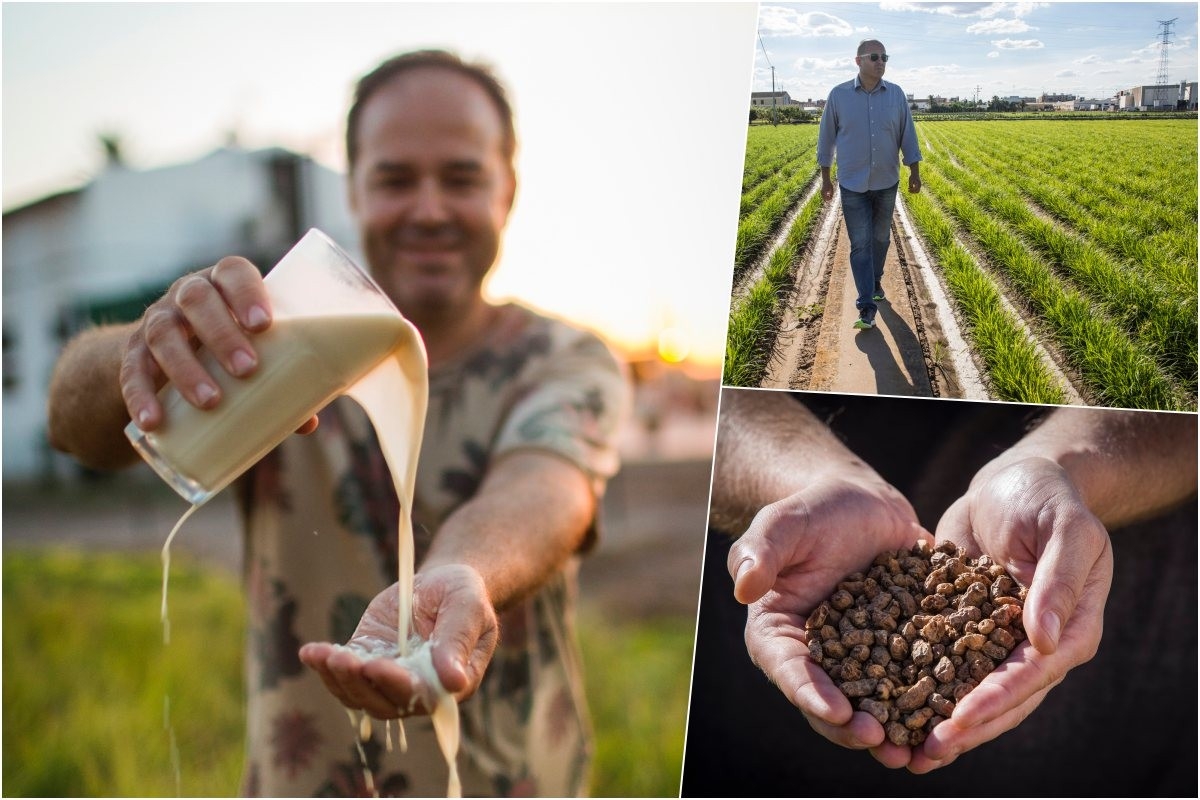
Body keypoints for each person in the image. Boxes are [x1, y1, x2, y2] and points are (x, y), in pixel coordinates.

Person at [47, 50, 630, 797]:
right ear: (352, 188)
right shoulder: (265, 341)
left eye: (460, 177)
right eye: (394, 179)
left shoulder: (565, 358)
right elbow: (73, 428)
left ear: (507, 189)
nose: (428, 209)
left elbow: (547, 487)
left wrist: (468, 572)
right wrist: (140, 353)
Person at [683, 388, 1197, 796]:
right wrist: (804, 480)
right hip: (768, 690)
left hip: (1113, 695)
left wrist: (1063, 466)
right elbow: (721, 401)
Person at [817, 39, 922, 331]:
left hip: (886, 182)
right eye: (874, 56)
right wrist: (826, 179)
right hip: (852, 184)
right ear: (858, 61)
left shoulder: (896, 95)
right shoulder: (838, 96)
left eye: (884, 57)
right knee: (860, 244)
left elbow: (908, 136)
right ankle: (866, 306)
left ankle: (874, 281)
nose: (881, 61)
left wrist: (915, 171)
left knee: (880, 240)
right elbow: (826, 140)